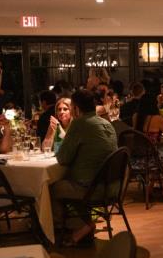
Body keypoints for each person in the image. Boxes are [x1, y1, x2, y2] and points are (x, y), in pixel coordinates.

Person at [49, 89, 117, 245]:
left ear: (77, 109)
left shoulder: (80, 124)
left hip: (92, 189)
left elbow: (63, 158)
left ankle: (61, 231)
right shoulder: (106, 123)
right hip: (113, 185)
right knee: (72, 181)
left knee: (52, 187)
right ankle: (82, 226)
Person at [133, 94, 163, 197]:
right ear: (153, 105)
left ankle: (150, 186)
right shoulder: (157, 118)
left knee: (162, 151)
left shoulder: (136, 117)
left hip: (137, 157)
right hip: (153, 157)